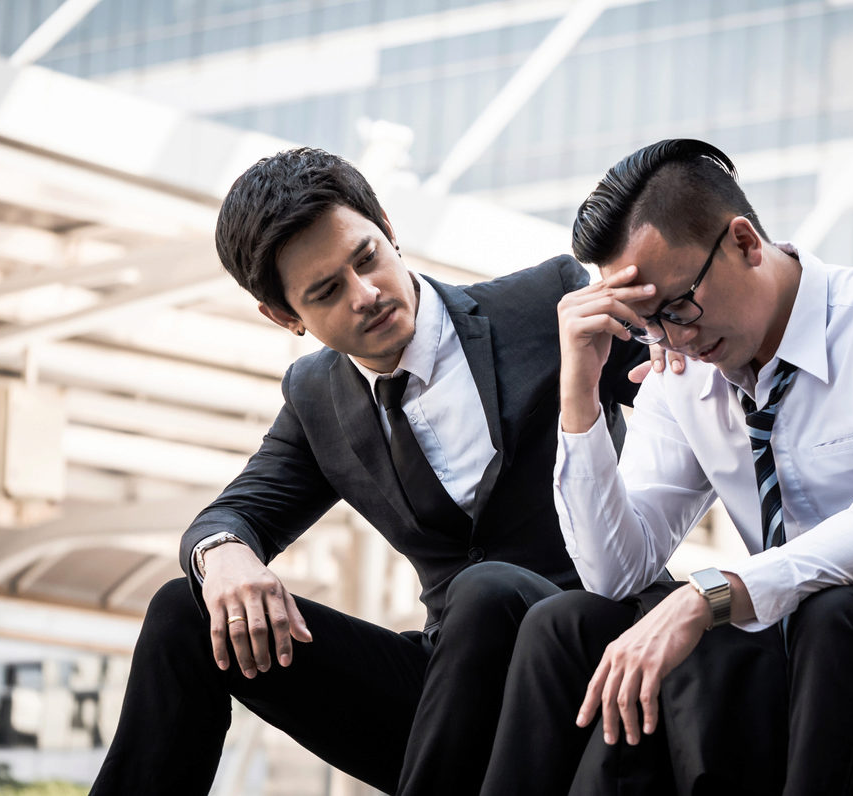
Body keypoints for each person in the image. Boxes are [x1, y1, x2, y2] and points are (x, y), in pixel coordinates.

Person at [481, 138, 853, 795]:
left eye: (678, 306)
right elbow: (613, 571)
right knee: (567, 624)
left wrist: (705, 597)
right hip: (811, 666)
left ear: (743, 242)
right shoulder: (683, 376)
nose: (673, 340)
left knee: (836, 616)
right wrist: (580, 393)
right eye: (645, 323)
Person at [89, 147, 653, 796]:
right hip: (449, 697)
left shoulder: (544, 303)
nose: (367, 295)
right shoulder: (316, 397)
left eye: (367, 258)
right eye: (327, 291)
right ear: (285, 317)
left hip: (591, 659)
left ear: (387, 226)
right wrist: (226, 557)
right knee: (186, 611)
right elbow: (232, 514)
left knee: (485, 589)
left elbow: (697, 390)